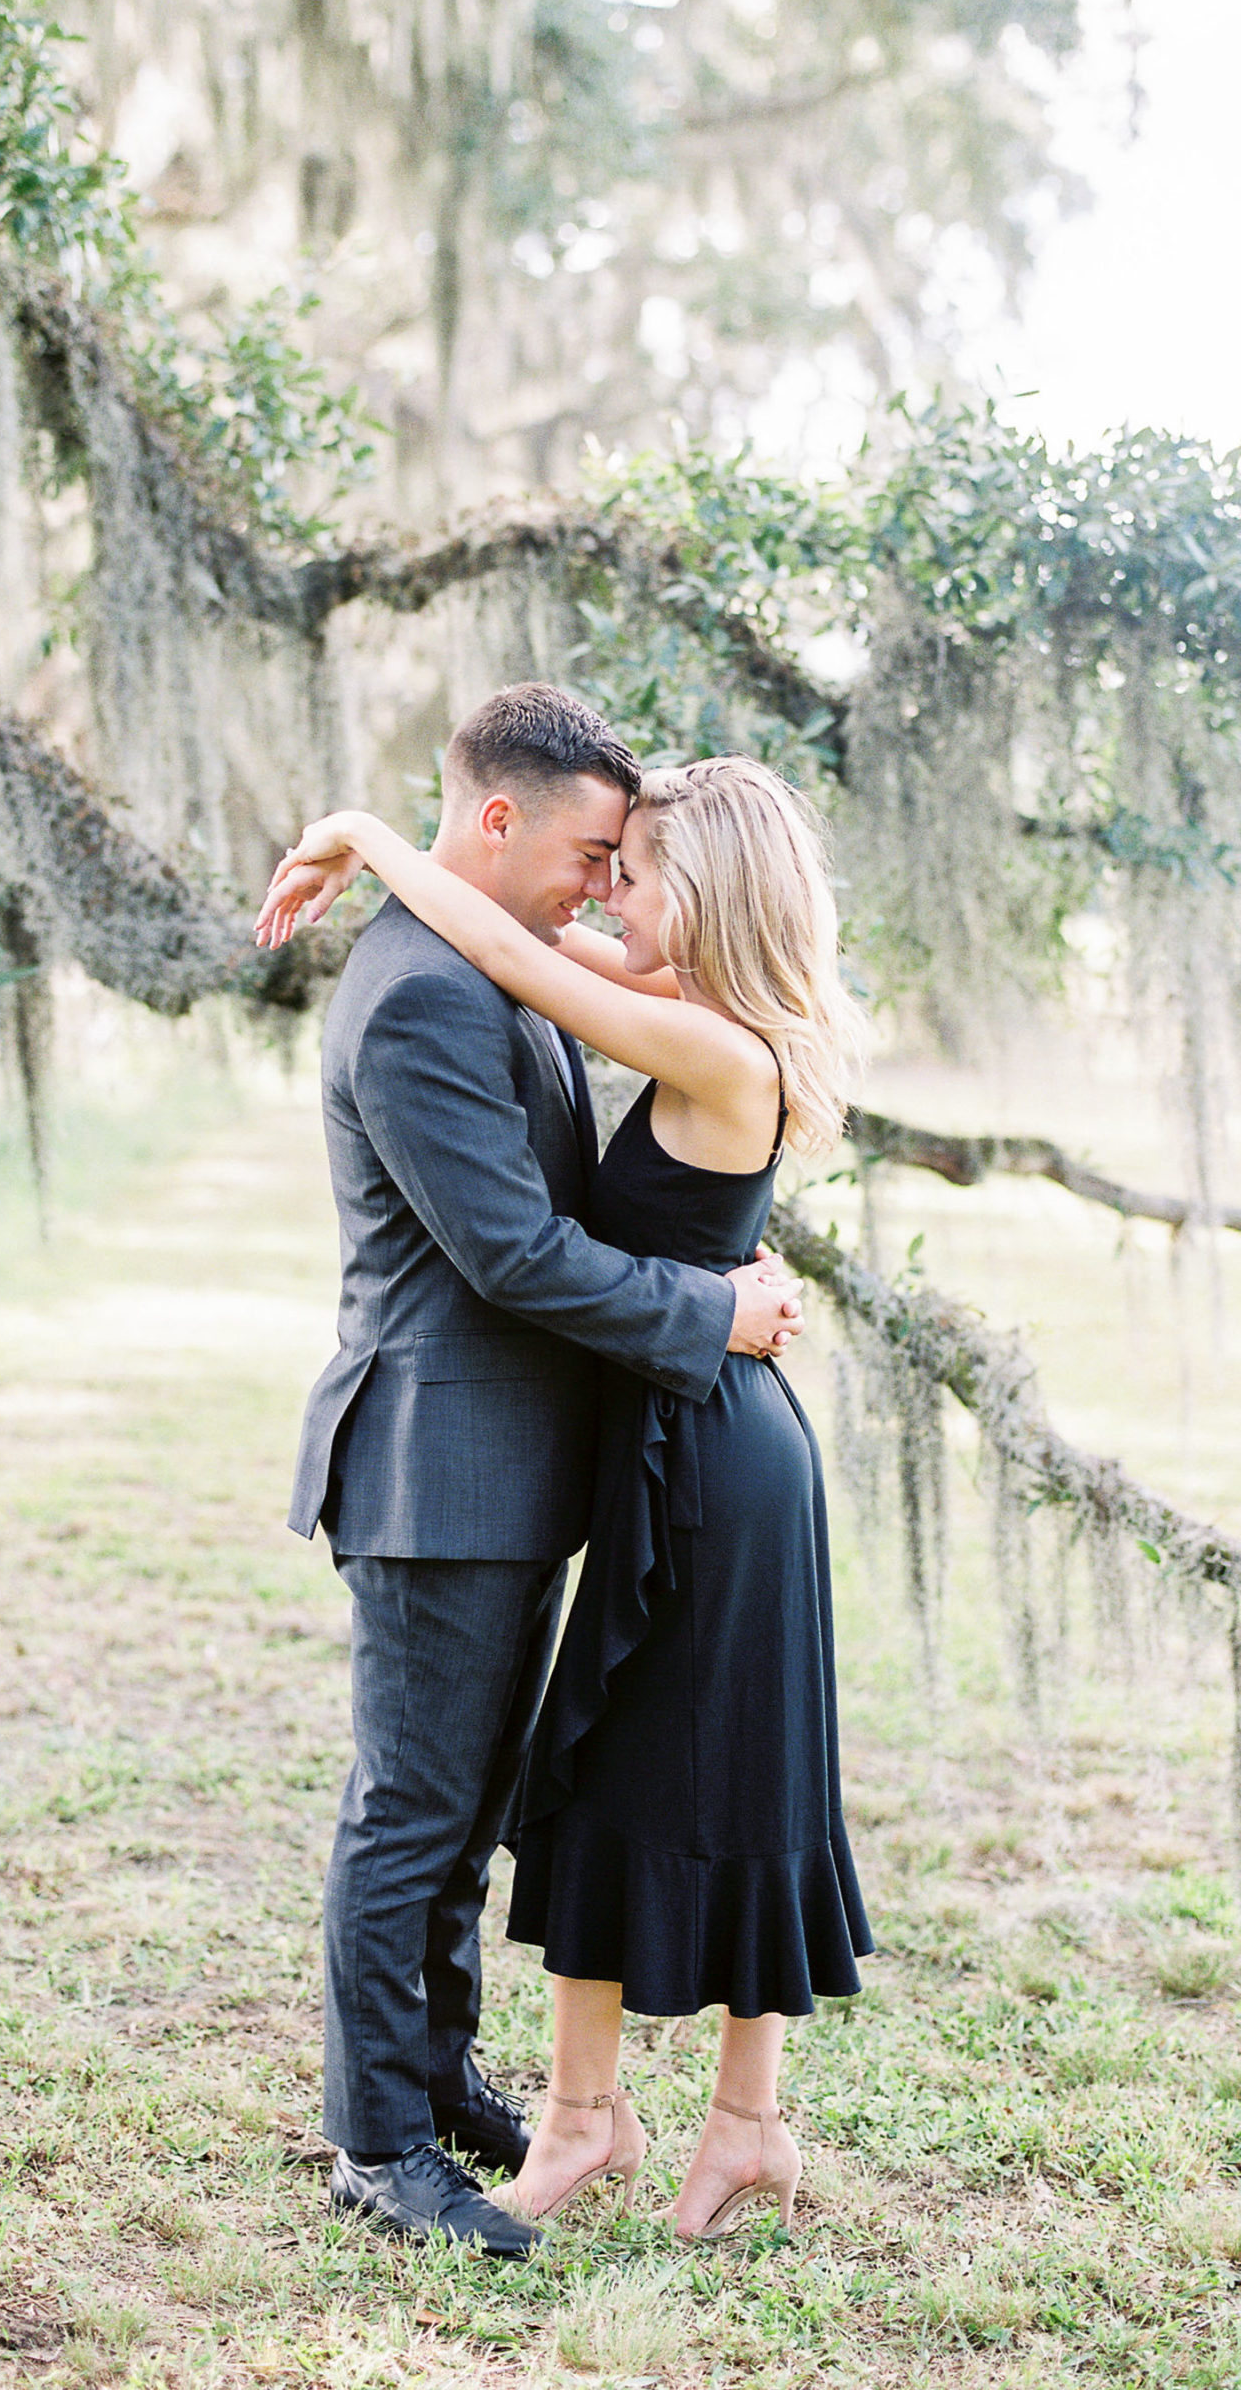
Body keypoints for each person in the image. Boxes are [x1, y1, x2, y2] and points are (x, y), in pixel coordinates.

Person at [257, 747, 872, 2244]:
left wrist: (361, 831)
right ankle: (384, 2140)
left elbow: (511, 942)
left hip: (663, 1456)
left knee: (499, 1809)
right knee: (425, 1812)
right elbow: (516, 1243)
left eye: (633, 867)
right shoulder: (455, 992)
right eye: (599, 854)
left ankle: (487, 2085)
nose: (609, 886)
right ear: (496, 819)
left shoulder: (696, 1032)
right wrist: (372, 835)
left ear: (704, 898)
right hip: (478, 1459)